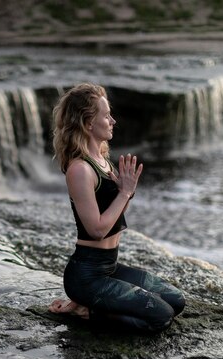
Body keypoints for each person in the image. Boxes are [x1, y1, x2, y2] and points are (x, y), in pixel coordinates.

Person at [48, 83, 185, 333]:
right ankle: (86, 310)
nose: (112, 120)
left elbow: (113, 216)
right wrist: (124, 193)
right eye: (106, 115)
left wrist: (127, 192)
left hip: (109, 267)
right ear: (89, 123)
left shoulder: (102, 161)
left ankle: (91, 304)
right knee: (160, 317)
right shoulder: (80, 169)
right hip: (87, 275)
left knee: (176, 301)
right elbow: (97, 229)